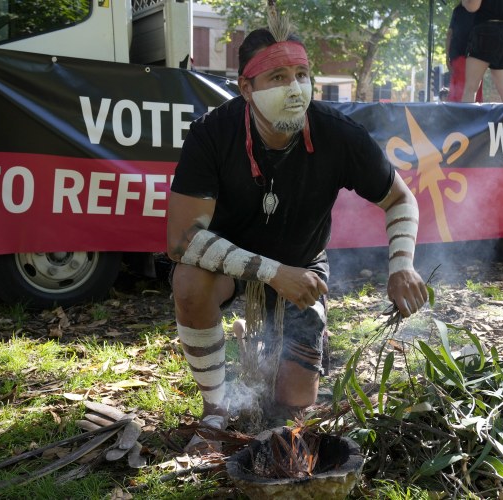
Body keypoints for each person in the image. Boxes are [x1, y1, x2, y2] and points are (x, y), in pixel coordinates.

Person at [166, 7, 428, 451]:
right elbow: (182, 240)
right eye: (278, 77)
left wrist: (402, 266)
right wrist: (272, 272)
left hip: (304, 272)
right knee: (189, 281)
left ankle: (304, 344)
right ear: (246, 88)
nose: (295, 89)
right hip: (231, 271)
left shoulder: (337, 133)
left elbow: (400, 198)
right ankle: (215, 409)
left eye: (302, 74)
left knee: (292, 407)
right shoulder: (213, 134)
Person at [460, 0, 503, 103]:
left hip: (485, 32)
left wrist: (464, 2)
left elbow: (473, 7)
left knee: (470, 88)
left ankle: (468, 118)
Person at [445, 3, 482, 102]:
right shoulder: (483, 8)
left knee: (460, 91)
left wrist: (447, 57)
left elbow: (449, 34)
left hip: (461, 55)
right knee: (471, 89)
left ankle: (459, 114)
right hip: (474, 55)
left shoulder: (458, 9)